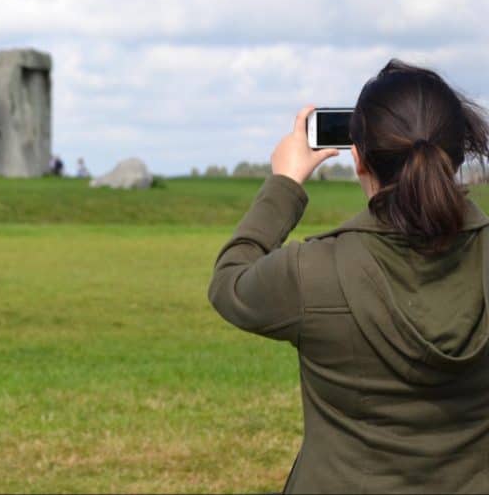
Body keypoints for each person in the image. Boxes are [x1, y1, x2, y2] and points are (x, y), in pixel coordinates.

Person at [209, 59, 489, 493]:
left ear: (358, 158)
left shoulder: (312, 272)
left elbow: (230, 283)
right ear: (457, 154)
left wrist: (285, 182)